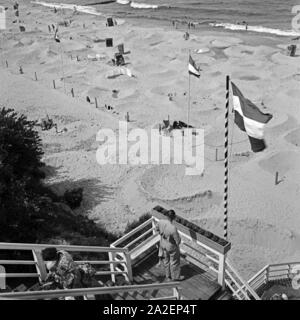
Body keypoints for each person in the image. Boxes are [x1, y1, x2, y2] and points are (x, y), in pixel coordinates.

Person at [155, 210, 184, 281]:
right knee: (174, 262)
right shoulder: (173, 228)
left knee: (166, 260)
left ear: (166, 216)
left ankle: (168, 276)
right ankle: (176, 277)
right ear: (173, 217)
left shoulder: (161, 221)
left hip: (163, 244)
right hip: (171, 247)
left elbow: (156, 229)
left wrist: (162, 235)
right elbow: (178, 241)